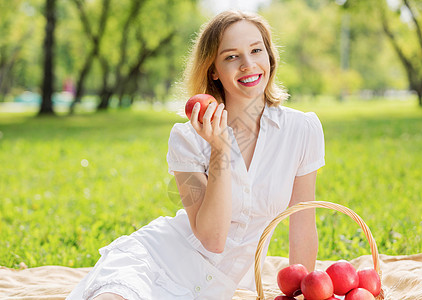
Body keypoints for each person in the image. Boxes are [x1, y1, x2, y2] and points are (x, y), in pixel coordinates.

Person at [66, 10, 325, 300]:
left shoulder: (302, 129)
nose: (248, 65)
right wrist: (220, 148)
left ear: (269, 56)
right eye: (231, 57)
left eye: (256, 50)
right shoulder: (186, 138)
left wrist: (307, 293)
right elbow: (212, 239)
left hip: (220, 288)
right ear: (213, 69)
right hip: (156, 261)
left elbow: (302, 223)